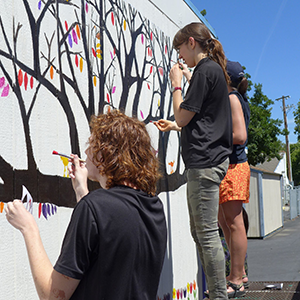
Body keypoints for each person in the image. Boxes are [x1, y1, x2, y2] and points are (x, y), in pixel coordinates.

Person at [5, 109, 167, 300]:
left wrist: (28, 227)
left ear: (104, 154)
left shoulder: (94, 208)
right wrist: (82, 192)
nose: (86, 152)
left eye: (92, 145)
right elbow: (108, 238)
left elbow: (53, 295)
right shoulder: (154, 207)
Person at [155, 22, 232, 300]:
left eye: (180, 50)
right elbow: (203, 119)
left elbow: (182, 116)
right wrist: (177, 127)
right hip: (207, 161)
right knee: (200, 232)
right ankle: (215, 292)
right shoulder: (211, 70)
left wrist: (177, 84)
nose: (180, 58)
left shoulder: (204, 71)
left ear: (191, 42)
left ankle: (218, 295)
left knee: (206, 234)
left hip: (204, 163)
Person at [217, 60, 250, 298]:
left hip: (234, 166)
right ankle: (239, 272)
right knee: (225, 221)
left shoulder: (231, 99)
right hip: (231, 166)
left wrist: (212, 135)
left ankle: (237, 278)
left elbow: (239, 135)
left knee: (234, 222)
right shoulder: (237, 98)